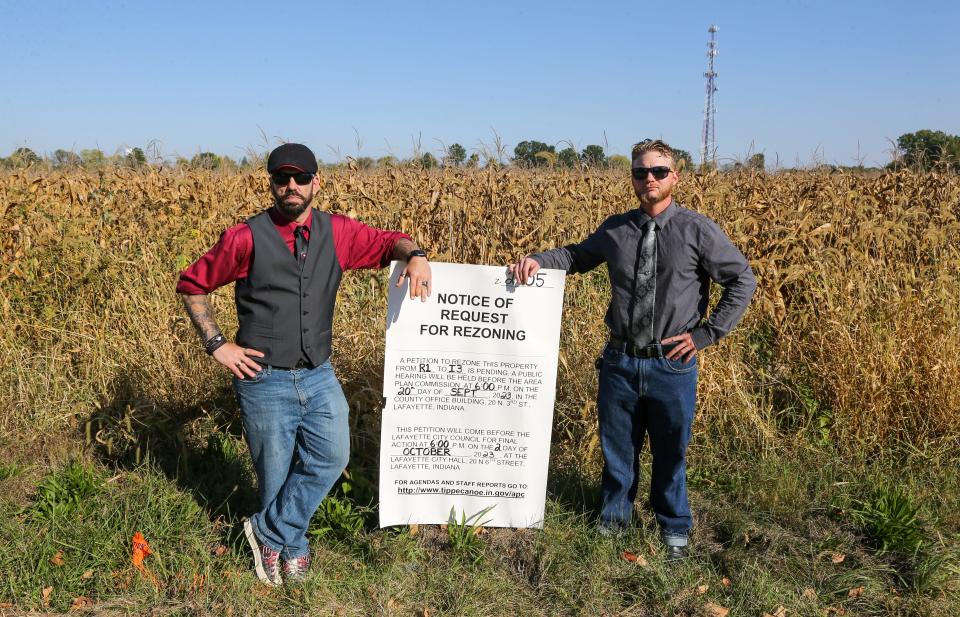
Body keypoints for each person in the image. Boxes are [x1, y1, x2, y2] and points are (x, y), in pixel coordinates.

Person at [177, 143, 431, 585]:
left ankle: (266, 532)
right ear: (272, 184)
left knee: (332, 456)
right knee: (274, 476)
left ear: (317, 182)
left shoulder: (339, 233)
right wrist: (217, 344)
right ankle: (291, 552)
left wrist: (416, 254)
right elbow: (192, 284)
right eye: (281, 178)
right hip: (262, 377)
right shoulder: (245, 236)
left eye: (299, 178)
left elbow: (392, 241)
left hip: (318, 373)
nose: (290, 186)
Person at [510, 139, 755, 560]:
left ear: (674, 177)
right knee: (617, 450)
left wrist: (705, 335)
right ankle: (613, 522)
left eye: (659, 171)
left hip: (671, 364)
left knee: (670, 452)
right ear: (633, 179)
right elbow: (576, 256)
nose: (650, 179)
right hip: (620, 360)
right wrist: (538, 259)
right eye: (641, 172)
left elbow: (742, 281)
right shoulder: (617, 229)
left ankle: (674, 529)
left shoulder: (697, 230)